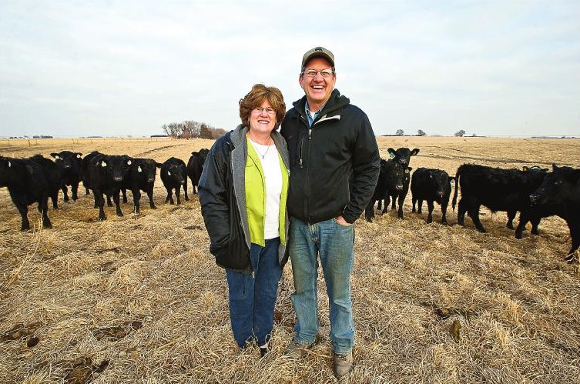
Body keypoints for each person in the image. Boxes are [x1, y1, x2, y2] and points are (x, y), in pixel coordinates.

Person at [280, 47, 380, 378]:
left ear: (334, 79)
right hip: (298, 224)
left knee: (339, 293)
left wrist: (350, 214)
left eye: (325, 72)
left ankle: (342, 347)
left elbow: (370, 167)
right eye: (311, 72)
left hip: (335, 225)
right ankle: (307, 336)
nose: (317, 78)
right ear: (301, 80)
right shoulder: (290, 120)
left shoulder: (352, 117)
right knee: (302, 287)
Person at [198, 84, 290, 357]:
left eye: (270, 110)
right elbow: (210, 193)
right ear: (247, 113)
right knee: (242, 292)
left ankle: (262, 337)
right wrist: (223, 238)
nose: (264, 114)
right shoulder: (227, 146)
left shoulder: (282, 146)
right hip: (242, 237)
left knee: (266, 292)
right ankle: (244, 341)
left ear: (277, 116)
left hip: (275, 237)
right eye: (258, 109)